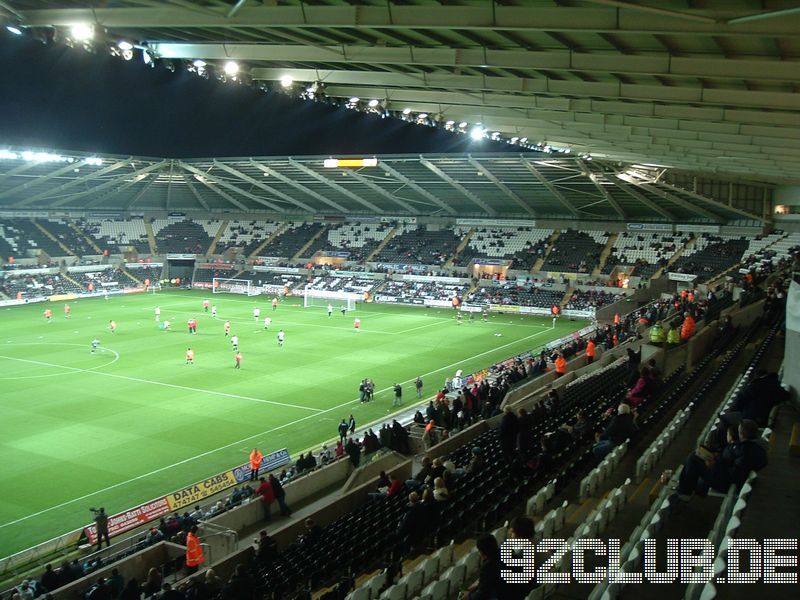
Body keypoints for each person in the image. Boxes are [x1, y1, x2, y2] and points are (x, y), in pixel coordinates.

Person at [674, 419, 767, 499]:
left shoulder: (744, 451)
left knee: (693, 458)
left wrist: (714, 465)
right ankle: (688, 489)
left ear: (741, 434)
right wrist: (717, 458)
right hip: (726, 476)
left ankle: (685, 492)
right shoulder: (755, 447)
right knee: (696, 456)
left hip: (725, 483)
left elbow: (734, 474)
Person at [462, 534, 503, 600]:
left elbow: (482, 594)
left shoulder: (487, 567)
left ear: (482, 552)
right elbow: (492, 580)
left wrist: (469, 597)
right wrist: (478, 586)